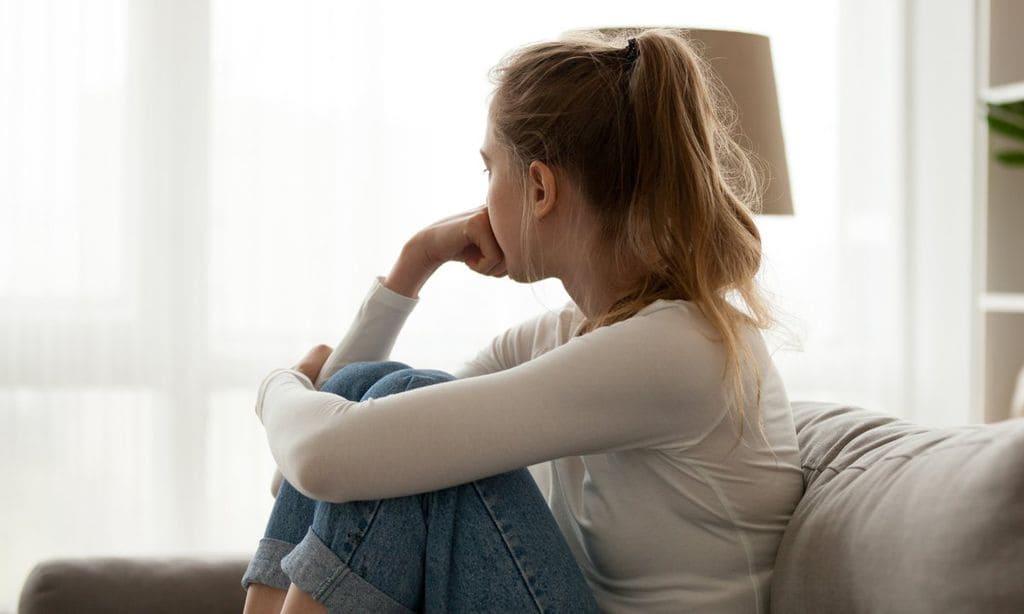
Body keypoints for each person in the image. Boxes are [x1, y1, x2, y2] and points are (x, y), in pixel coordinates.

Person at [241, 28, 804, 614]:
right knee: (371, 396)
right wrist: (416, 261)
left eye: (490, 169)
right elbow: (323, 467)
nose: (482, 200)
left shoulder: (679, 349)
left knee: (402, 401)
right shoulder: (569, 335)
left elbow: (322, 458)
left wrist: (276, 387)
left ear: (539, 188)